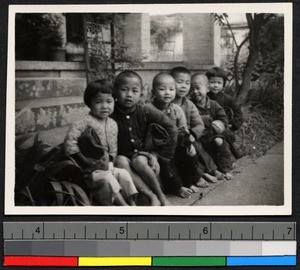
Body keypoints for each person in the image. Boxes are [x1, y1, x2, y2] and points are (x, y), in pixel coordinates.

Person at [64, 80, 138, 206]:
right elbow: (69, 143)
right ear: (89, 104)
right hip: (89, 171)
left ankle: (132, 203)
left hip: (108, 167)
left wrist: (110, 162)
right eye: (98, 102)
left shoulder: (112, 124)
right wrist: (85, 160)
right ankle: (124, 206)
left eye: (109, 102)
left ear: (114, 101)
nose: (104, 106)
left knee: (124, 174)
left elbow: (113, 148)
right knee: (107, 178)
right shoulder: (83, 123)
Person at [111, 70, 178, 206]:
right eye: (124, 90)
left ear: (141, 93)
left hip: (142, 154)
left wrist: (161, 156)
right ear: (116, 92)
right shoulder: (111, 113)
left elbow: (171, 129)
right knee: (121, 161)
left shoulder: (145, 110)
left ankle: (161, 196)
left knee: (139, 161)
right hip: (121, 156)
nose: (129, 95)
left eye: (134, 91)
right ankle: (150, 195)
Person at [150, 72, 208, 196]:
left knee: (190, 154)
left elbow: (183, 129)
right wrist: (152, 151)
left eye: (171, 89)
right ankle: (178, 187)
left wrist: (188, 144)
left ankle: (188, 182)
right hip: (158, 147)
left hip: (176, 144)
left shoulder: (177, 109)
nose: (167, 93)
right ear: (153, 91)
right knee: (166, 162)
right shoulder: (149, 109)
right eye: (162, 89)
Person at [170, 66, 224, 182]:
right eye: (179, 82)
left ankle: (209, 171)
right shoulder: (167, 103)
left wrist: (193, 134)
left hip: (189, 136)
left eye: (187, 83)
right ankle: (200, 175)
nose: (184, 86)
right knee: (189, 147)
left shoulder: (189, 104)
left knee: (196, 145)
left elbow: (199, 124)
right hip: (172, 138)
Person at [190, 73, 235, 179]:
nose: (195, 92)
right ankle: (211, 171)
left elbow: (224, 119)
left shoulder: (214, 105)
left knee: (219, 141)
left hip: (212, 135)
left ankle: (225, 168)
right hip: (199, 138)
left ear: (207, 89)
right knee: (196, 148)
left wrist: (218, 125)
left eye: (197, 88)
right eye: (192, 89)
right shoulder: (190, 105)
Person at [206, 67, 244, 159]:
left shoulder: (228, 99)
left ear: (223, 84)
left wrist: (233, 125)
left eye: (219, 83)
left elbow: (238, 115)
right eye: (212, 82)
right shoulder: (204, 98)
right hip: (208, 127)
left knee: (225, 133)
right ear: (206, 83)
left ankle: (232, 152)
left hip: (224, 127)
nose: (215, 85)